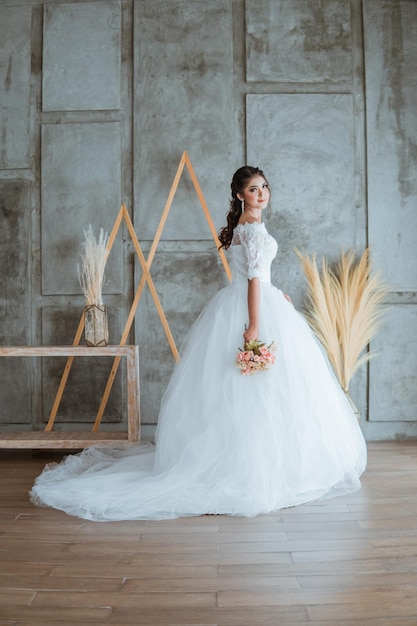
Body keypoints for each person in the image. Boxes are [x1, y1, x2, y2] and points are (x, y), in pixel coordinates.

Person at [30, 166, 367, 521]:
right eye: (253, 190)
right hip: (252, 306)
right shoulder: (250, 230)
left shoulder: (247, 228)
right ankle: (256, 467)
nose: (262, 193)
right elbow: (253, 278)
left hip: (255, 299)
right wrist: (254, 324)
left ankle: (250, 460)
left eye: (264, 187)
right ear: (240, 195)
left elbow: (258, 277)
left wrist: (276, 293)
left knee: (252, 389)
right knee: (258, 388)